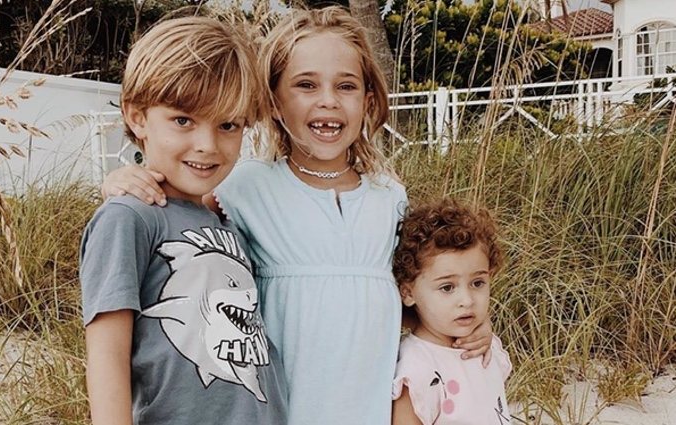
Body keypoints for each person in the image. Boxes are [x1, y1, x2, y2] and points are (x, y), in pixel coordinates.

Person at [101, 7, 492, 425]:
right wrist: (124, 180)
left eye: (346, 86)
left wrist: (462, 328)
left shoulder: (389, 197)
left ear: (369, 100)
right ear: (272, 101)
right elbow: (179, 214)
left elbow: (398, 299)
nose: (328, 100)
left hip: (368, 412)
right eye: (305, 85)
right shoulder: (243, 187)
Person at [79, 16, 288, 425]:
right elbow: (106, 352)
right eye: (183, 120)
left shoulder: (223, 218)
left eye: (228, 125)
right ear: (137, 116)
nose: (207, 145)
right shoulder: (128, 217)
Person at [391, 198, 512, 425]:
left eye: (477, 283)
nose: (466, 301)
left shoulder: (485, 345)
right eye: (447, 287)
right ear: (408, 293)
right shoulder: (417, 367)